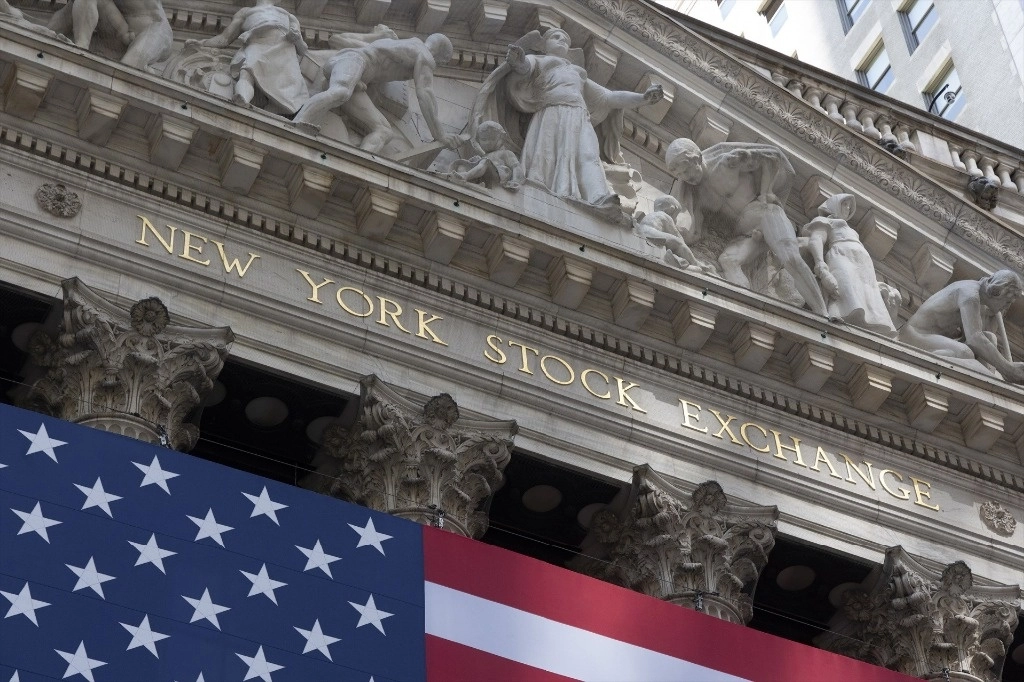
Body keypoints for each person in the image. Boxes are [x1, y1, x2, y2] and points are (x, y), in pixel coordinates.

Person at [470, 29, 662, 210]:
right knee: (547, 156)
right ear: (544, 45)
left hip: (579, 115)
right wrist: (518, 61)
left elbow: (609, 97)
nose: (562, 40)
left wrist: (643, 98)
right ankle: (539, 187)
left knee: (589, 156)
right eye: (556, 37)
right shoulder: (539, 60)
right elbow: (525, 69)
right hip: (552, 112)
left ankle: (598, 197)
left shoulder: (577, 72)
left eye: (565, 40)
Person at [666, 138, 829, 317]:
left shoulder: (727, 162)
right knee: (728, 261)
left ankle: (822, 312)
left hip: (762, 214)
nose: (687, 177)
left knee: (790, 257)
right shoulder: (694, 191)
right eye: (681, 174)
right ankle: (745, 313)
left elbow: (772, 158)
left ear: (696, 158)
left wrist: (766, 192)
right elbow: (691, 226)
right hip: (741, 232)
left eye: (687, 169)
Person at [293, 33, 459, 153]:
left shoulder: (404, 44)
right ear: (440, 58)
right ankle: (298, 124)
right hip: (353, 61)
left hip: (357, 79)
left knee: (384, 131)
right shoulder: (424, 55)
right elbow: (425, 94)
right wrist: (440, 134)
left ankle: (358, 163)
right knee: (340, 92)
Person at [899, 270, 1024, 382]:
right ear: (997, 291)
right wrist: (1008, 369)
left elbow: (979, 340)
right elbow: (974, 339)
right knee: (965, 353)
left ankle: (990, 383)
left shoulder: (979, 301)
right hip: (915, 335)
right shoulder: (970, 294)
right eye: (1007, 301)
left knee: (990, 337)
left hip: (934, 338)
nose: (1006, 307)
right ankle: (989, 380)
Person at [800, 193, 896, 335]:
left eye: (850, 206)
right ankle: (842, 317)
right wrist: (821, 266)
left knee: (866, 294)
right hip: (842, 256)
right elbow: (816, 240)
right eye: (845, 204)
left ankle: (870, 324)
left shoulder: (851, 230)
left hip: (863, 264)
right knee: (847, 290)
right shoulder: (826, 221)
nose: (848, 208)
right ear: (835, 206)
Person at [192, 0, 308, 115]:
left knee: (289, 91)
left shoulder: (289, 17)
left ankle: (277, 108)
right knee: (246, 72)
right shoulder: (245, 13)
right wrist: (202, 43)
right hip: (257, 47)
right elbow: (224, 39)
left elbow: (303, 49)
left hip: (283, 54)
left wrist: (297, 39)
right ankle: (242, 99)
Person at [49, 0, 172, 69]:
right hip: (120, 34)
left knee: (126, 72)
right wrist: (45, 35)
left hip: (154, 31)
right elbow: (65, 16)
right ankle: (81, 49)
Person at [634, 195, 711, 272]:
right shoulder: (665, 216)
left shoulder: (651, 216)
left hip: (642, 232)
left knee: (673, 243)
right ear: (672, 208)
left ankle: (679, 262)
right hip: (650, 232)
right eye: (676, 214)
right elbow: (677, 236)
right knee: (679, 242)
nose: (676, 219)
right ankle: (695, 263)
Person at [445, 120, 524, 190]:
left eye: (492, 138)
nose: (488, 143)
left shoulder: (506, 153)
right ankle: (461, 177)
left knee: (485, 162)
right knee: (464, 164)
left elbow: (516, 166)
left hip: (498, 176)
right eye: (484, 139)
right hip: (485, 174)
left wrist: (516, 181)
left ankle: (466, 176)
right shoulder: (484, 156)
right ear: (478, 140)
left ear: (502, 138)